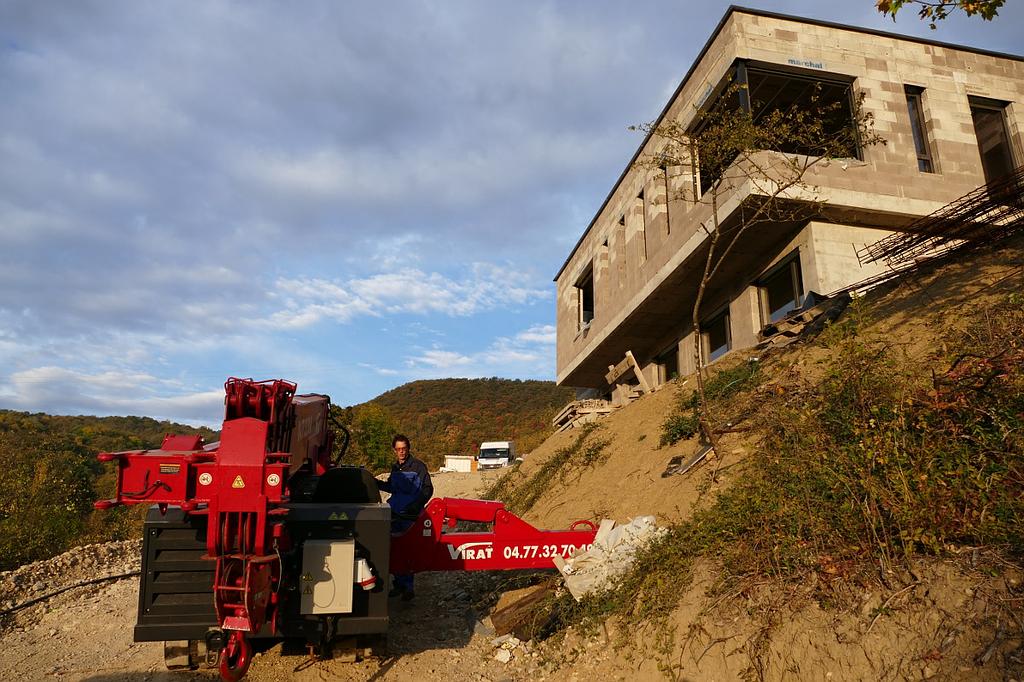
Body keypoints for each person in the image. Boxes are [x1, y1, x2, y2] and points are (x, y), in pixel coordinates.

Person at [376, 434, 432, 600]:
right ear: (394, 450)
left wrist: (417, 505)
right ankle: (398, 584)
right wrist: (375, 483)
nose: (401, 452)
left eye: (404, 449)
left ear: (408, 449)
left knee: (407, 549)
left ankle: (408, 588)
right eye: (398, 449)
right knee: (395, 549)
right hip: (394, 513)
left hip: (410, 515)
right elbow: (392, 488)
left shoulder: (419, 466)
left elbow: (428, 489)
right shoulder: (395, 468)